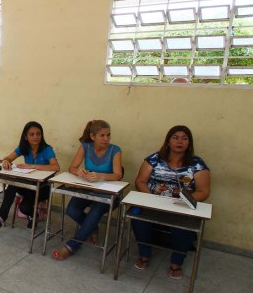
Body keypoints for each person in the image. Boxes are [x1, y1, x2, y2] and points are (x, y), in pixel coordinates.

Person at [131, 125, 210, 279]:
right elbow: (140, 181)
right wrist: (151, 198)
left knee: (186, 226)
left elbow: (204, 191)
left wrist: (184, 201)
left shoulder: (197, 164)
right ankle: (144, 255)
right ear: (168, 141)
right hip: (153, 201)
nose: (179, 141)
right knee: (137, 216)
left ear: (189, 143)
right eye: (175, 137)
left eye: (184, 138)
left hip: (181, 206)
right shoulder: (154, 159)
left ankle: (176, 263)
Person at [53, 120, 123, 261]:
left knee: (95, 211)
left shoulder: (115, 150)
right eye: (102, 135)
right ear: (92, 136)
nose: (106, 139)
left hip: (108, 193)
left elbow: (118, 175)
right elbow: (72, 167)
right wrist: (79, 172)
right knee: (71, 210)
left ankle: (72, 246)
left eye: (108, 135)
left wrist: (101, 176)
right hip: (87, 188)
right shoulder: (85, 147)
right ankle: (91, 228)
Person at [0, 121, 60, 229]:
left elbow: (56, 167)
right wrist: (6, 161)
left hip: (43, 187)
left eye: (38, 134)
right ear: (25, 136)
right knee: (12, 185)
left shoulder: (46, 149)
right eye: (32, 134)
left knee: (24, 207)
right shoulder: (23, 148)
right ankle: (1, 218)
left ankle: (34, 216)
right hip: (28, 184)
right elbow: (8, 158)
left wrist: (32, 166)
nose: (36, 137)